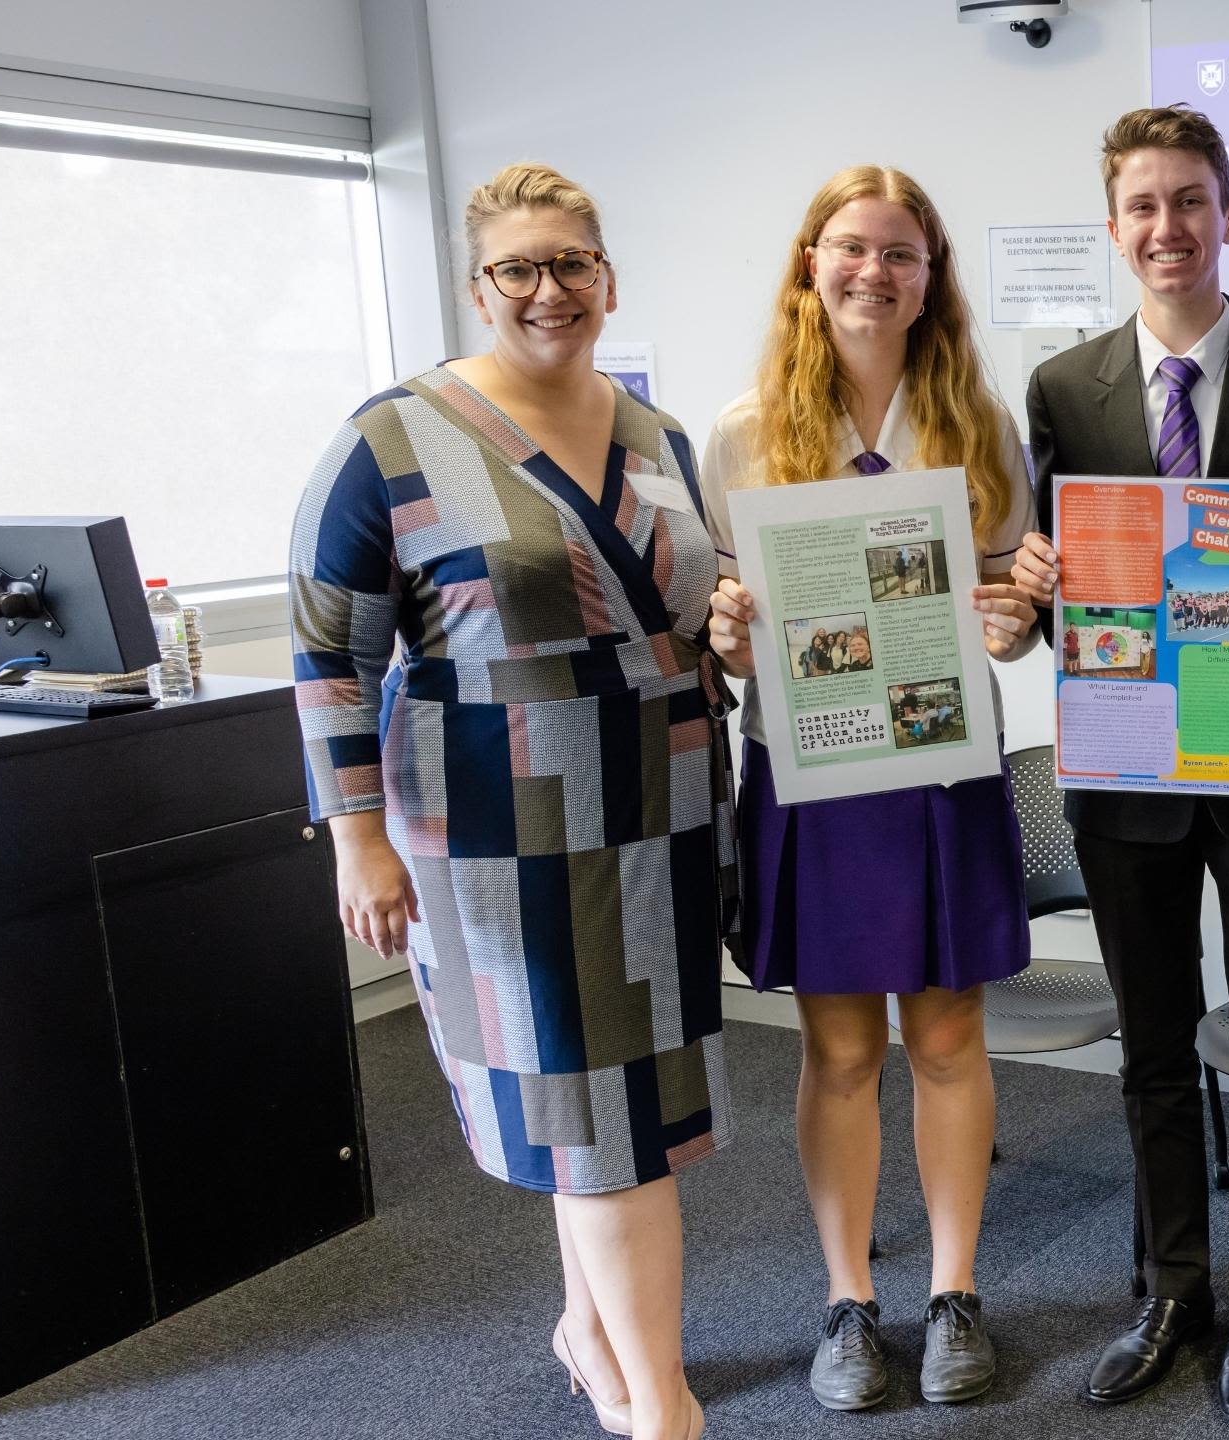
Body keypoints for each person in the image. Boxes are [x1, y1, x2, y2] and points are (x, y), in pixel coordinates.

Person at [292, 162, 725, 1440]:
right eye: (517, 270)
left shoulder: (657, 436)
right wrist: (357, 839)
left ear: (607, 278)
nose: (549, 292)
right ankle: (665, 1406)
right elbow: (330, 651)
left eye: (571, 266)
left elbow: (688, 611)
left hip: (664, 804)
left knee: (594, 1100)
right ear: (479, 287)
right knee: (598, 1118)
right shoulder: (392, 439)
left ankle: (588, 1329)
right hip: (507, 828)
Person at [1007, 103, 1229, 1422]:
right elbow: (1064, 593)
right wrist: (1036, 584)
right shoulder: (1062, 390)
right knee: (1154, 1047)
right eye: (1143, 206)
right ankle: (1173, 1290)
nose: (1168, 227)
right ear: (1116, 227)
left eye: (1190, 201)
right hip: (1122, 768)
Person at [698, 164, 1042, 1412]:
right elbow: (726, 629)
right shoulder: (741, 431)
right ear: (811, 263)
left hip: (939, 767)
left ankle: (954, 1292)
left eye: (901, 253)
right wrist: (729, 637)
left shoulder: (979, 424)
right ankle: (849, 1301)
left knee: (946, 1034)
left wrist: (1011, 625)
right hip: (816, 768)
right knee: (840, 1049)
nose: (873, 272)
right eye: (851, 248)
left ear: (929, 276)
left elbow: (1009, 608)